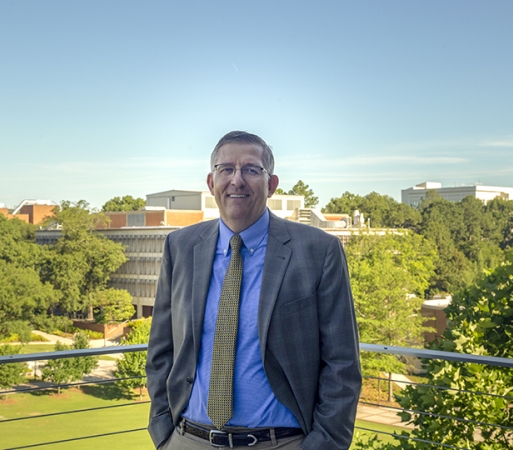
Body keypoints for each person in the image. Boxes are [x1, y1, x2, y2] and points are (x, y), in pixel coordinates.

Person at [146, 131, 361, 449]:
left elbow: (342, 362)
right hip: (188, 438)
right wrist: (163, 431)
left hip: (281, 442)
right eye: (226, 169)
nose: (237, 180)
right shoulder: (180, 246)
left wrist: (324, 443)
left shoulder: (318, 250)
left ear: (271, 184)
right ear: (211, 182)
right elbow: (161, 349)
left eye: (250, 169)